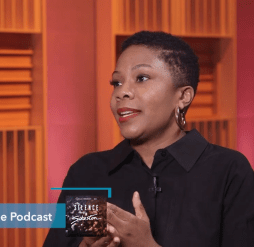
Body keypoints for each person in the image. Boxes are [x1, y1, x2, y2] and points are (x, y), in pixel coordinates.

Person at [43, 31, 254, 247]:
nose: (122, 92)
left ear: (183, 96)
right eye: (116, 82)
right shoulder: (88, 173)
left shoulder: (229, 171)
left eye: (141, 78)